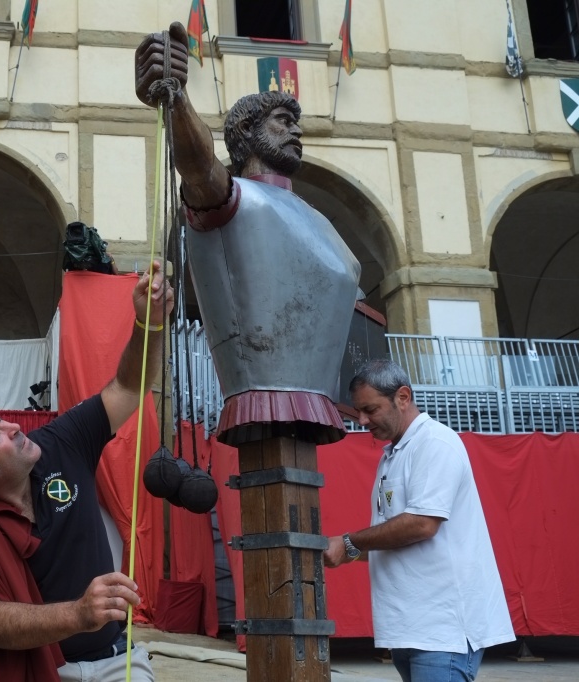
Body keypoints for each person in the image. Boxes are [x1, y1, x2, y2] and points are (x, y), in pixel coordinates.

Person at [0, 262, 173, 682]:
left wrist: (147, 325)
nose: (13, 426)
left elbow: (128, 388)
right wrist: (78, 613)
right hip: (23, 669)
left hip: (116, 661)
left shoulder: (62, 442)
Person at [134, 23, 360, 447]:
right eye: (282, 121)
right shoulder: (234, 197)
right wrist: (177, 99)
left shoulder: (316, 217)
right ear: (243, 132)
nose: (296, 132)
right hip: (259, 393)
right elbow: (200, 168)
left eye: (296, 123)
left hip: (316, 398)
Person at [323, 359, 514, 681]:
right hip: (410, 628)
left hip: (443, 630)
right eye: (358, 411)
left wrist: (348, 543)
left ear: (403, 396)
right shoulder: (393, 454)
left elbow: (422, 524)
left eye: (371, 409)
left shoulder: (435, 443)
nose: (363, 420)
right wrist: (341, 551)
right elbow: (393, 540)